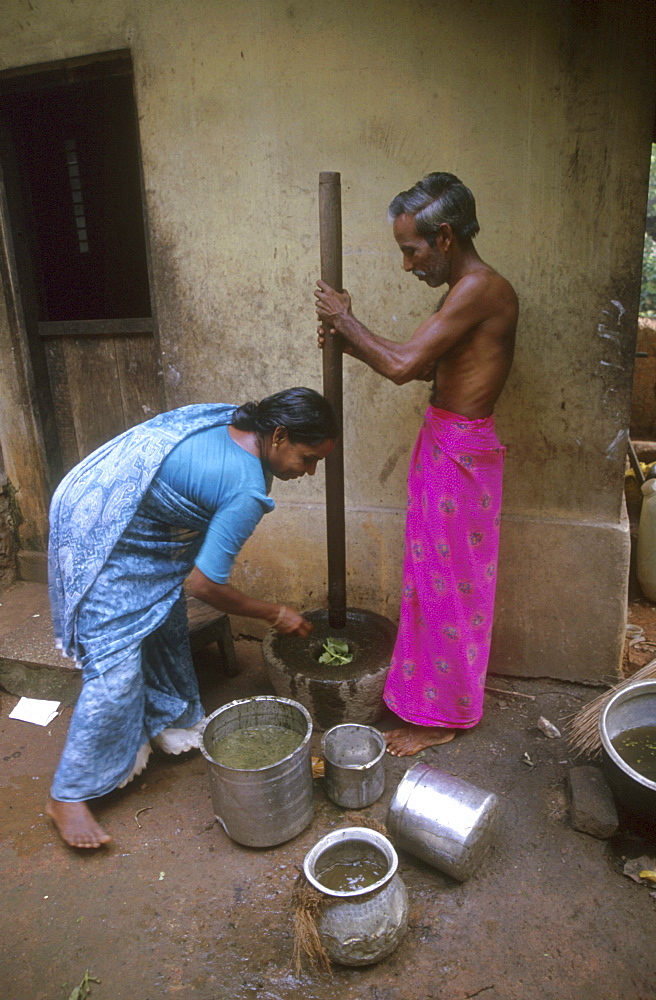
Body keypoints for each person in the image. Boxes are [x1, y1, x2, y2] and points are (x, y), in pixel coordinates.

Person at [46, 387, 338, 847]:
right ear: (278, 435)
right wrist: (274, 612)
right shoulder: (246, 488)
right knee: (115, 668)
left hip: (108, 493)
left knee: (162, 616)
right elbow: (203, 585)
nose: (309, 472)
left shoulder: (237, 420)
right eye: (307, 459)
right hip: (102, 524)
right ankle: (68, 795)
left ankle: (167, 715)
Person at [314, 172, 518, 757]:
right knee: (432, 581)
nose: (408, 265)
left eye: (412, 250)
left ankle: (446, 715)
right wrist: (347, 341)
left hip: (462, 451)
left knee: (450, 589)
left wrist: (347, 318)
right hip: (447, 444)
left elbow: (403, 366)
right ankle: (433, 697)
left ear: (446, 237)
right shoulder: (462, 292)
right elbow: (428, 368)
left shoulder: (482, 287)